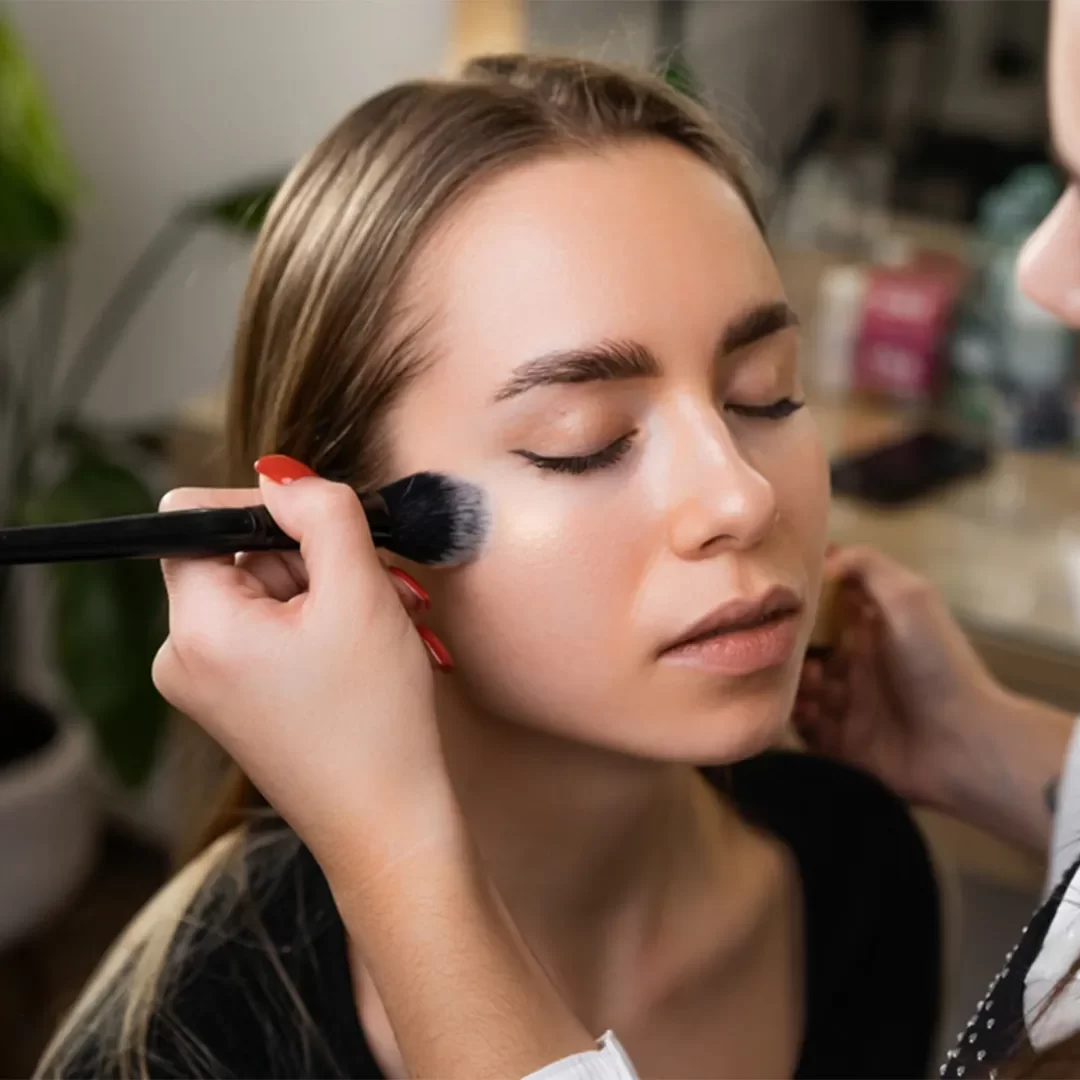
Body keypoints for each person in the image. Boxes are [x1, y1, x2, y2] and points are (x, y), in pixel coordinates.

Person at [34, 54, 942, 1080]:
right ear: (338, 531)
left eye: (765, 394)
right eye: (583, 438)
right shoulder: (179, 1050)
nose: (743, 496)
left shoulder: (855, 870)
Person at [796, 2, 1080, 1076]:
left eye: (760, 398)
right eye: (583, 442)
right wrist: (991, 748)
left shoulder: (850, 891)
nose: (1040, 277)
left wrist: (406, 864)